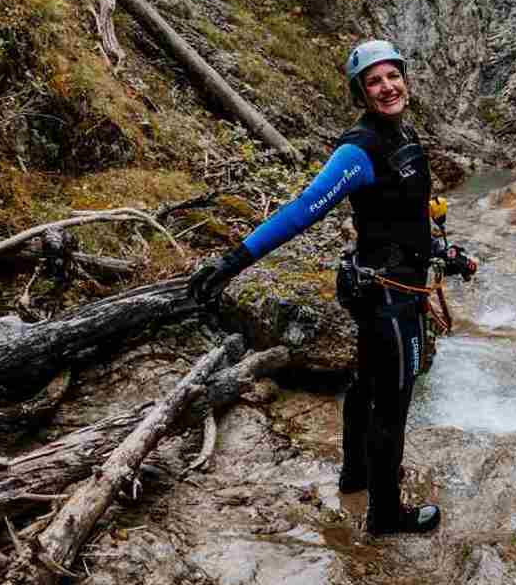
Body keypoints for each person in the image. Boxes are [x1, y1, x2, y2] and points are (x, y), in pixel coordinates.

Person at [185, 39, 477, 536]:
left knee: (367, 386)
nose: (387, 87)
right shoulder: (358, 150)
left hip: (390, 286)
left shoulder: (403, 136)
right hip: (387, 296)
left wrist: (443, 253)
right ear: (360, 93)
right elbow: (303, 210)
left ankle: (356, 476)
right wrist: (234, 261)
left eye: (392, 76)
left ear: (404, 78)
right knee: (393, 402)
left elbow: (404, 218)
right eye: (374, 82)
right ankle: (386, 515)